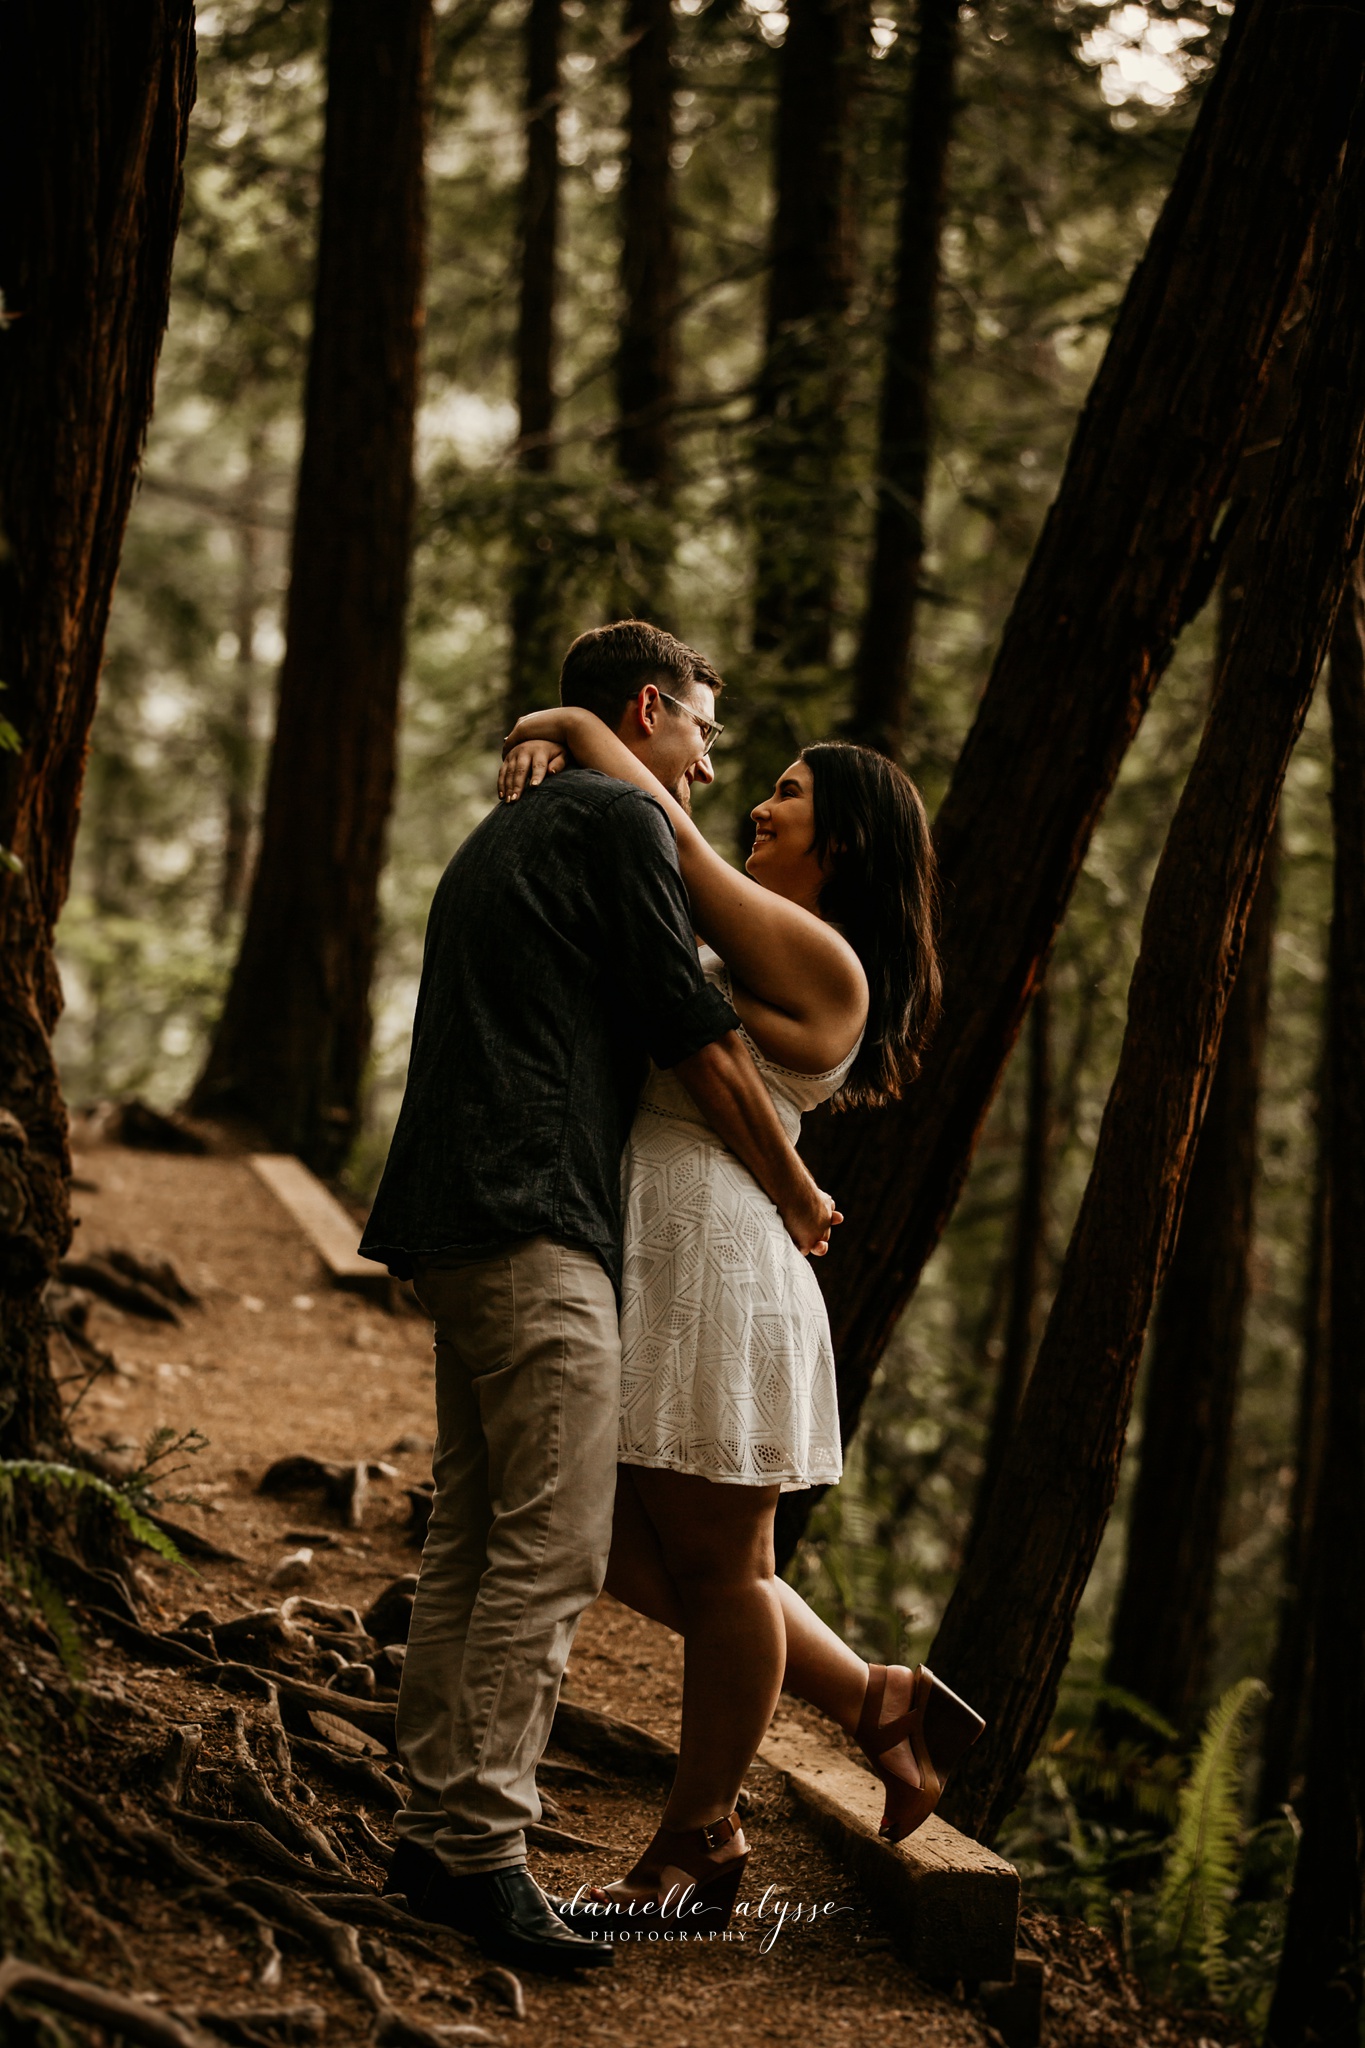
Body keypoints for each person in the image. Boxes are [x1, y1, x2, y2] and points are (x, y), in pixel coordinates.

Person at [358, 621, 838, 1974]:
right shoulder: (614, 829)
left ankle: (437, 1824)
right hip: (534, 1223)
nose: (705, 761)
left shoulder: (505, 830)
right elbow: (688, 1039)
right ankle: (480, 1853)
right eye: (697, 727)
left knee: (473, 1538)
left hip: (453, 1218)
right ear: (647, 709)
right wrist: (795, 1194)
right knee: (552, 1547)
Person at [498, 700, 986, 1930]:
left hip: (714, 1248)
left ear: (849, 842)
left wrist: (559, 716)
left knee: (726, 1570)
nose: (757, 803)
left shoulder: (828, 960)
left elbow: (674, 843)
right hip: (650, 1238)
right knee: (606, 1540)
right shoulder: (755, 942)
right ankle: (878, 1698)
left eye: (786, 790)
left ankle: (695, 1840)